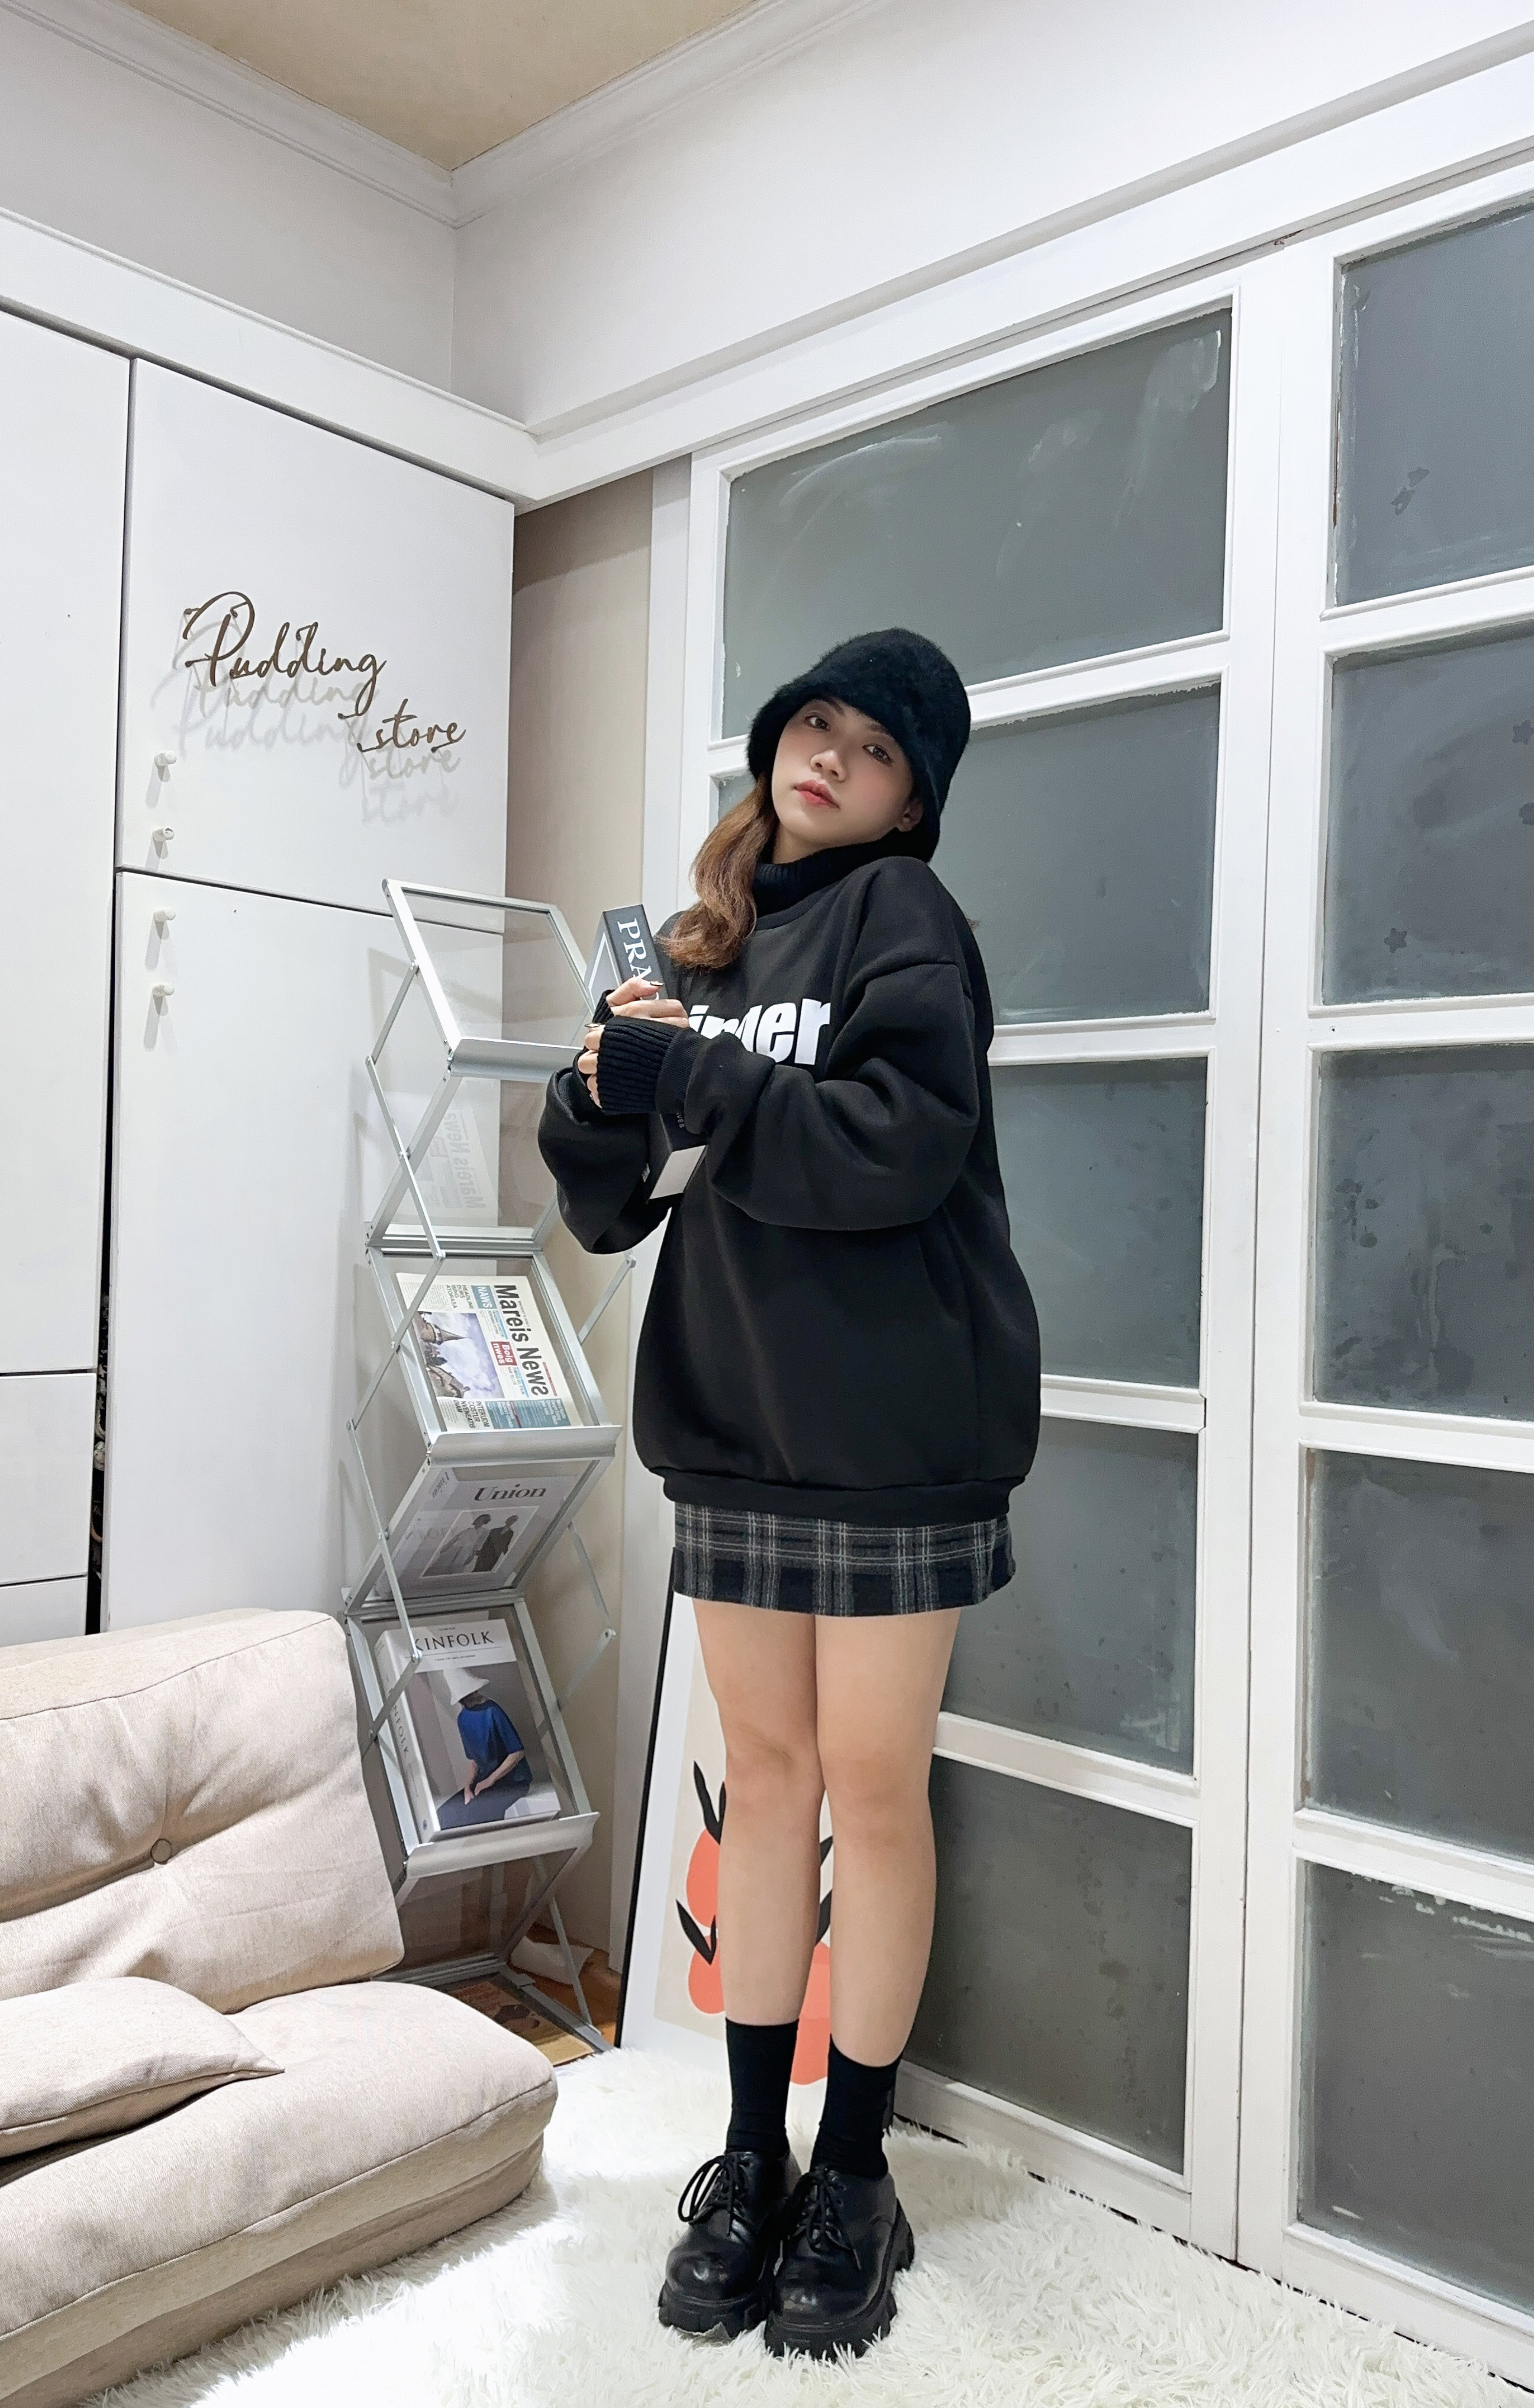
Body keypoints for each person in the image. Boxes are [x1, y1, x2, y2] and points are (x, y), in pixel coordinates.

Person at [538, 628, 1039, 2359]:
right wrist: (599, 1092)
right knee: (767, 1783)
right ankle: (752, 2158)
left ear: (912, 800)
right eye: (814, 725)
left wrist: (700, 1072)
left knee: (874, 1793)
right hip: (741, 1421)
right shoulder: (708, 945)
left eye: (874, 748)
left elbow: (894, 1149)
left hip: (900, 1432)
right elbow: (621, 1201)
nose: (830, 757)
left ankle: (858, 2172)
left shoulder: (909, 924)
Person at [435, 1680, 533, 1828]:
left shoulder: (493, 1710)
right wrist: (468, 1787)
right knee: (445, 1814)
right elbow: (474, 1760)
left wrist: (490, 1781)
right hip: (484, 1781)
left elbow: (517, 1753)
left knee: (475, 1814)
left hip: (513, 1781)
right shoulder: (463, 1719)